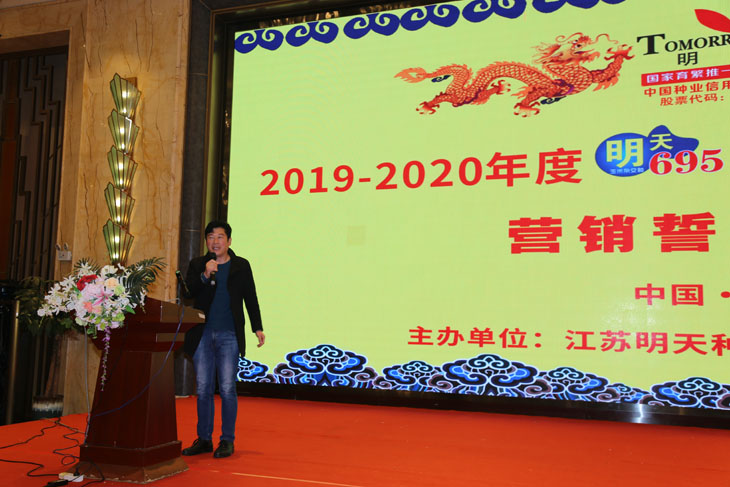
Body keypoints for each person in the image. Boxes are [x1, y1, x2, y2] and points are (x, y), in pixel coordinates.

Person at [181, 221, 265, 458]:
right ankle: (204, 439)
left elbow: (250, 297)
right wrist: (205, 275)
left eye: (220, 237)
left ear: (229, 241)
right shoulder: (198, 264)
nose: (215, 241)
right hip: (202, 333)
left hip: (229, 334)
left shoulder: (241, 265)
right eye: (210, 237)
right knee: (204, 388)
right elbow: (188, 293)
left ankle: (227, 440)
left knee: (227, 388)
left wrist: (257, 327)